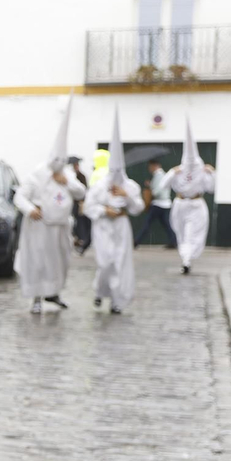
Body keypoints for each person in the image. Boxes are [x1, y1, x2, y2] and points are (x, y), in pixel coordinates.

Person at [13, 99, 86, 314]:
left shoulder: (68, 175)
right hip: (39, 227)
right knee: (38, 262)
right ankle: (36, 297)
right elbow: (20, 197)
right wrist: (31, 210)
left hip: (61, 227)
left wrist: (67, 182)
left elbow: (81, 192)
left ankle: (55, 293)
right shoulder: (37, 174)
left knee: (59, 262)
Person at [87, 110, 145, 314]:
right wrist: (104, 210)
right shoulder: (99, 185)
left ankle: (116, 300)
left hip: (121, 227)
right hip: (103, 227)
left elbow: (138, 208)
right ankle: (99, 290)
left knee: (120, 263)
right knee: (105, 262)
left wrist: (126, 196)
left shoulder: (130, 186)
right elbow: (88, 206)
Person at [168, 118, 215, 274]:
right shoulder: (178, 172)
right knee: (181, 234)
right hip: (180, 205)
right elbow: (163, 185)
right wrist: (171, 173)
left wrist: (212, 173)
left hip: (196, 206)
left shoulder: (202, 172)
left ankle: (186, 259)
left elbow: (211, 188)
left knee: (191, 234)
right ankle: (186, 257)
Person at [136, 159, 178, 249]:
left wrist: (152, 193)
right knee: (166, 224)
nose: (149, 169)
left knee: (147, 223)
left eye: (150, 167)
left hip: (158, 204)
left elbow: (159, 189)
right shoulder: (161, 175)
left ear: (154, 166)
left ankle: (136, 241)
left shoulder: (159, 175)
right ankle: (173, 241)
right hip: (165, 204)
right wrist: (150, 185)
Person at [67, 155, 92, 254]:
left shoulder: (81, 176)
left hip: (79, 204)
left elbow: (83, 190)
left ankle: (82, 241)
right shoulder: (69, 176)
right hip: (71, 204)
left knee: (81, 222)